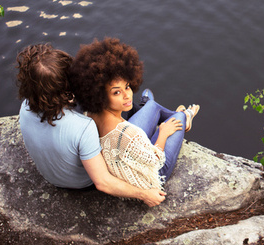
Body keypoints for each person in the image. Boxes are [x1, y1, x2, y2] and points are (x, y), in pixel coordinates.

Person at [16, 43, 167, 207]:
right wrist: (144, 194)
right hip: (82, 184)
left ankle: (142, 105)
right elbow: (103, 182)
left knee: (117, 104)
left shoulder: (25, 107)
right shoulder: (83, 127)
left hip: (52, 178)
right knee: (149, 110)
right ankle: (153, 108)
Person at [69, 38, 199, 190]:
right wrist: (163, 133)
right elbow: (155, 161)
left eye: (127, 86)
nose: (127, 95)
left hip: (124, 150)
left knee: (152, 105)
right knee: (178, 118)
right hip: (150, 175)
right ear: (100, 95)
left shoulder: (89, 114)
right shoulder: (128, 134)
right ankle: (185, 116)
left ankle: (147, 107)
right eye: (116, 92)